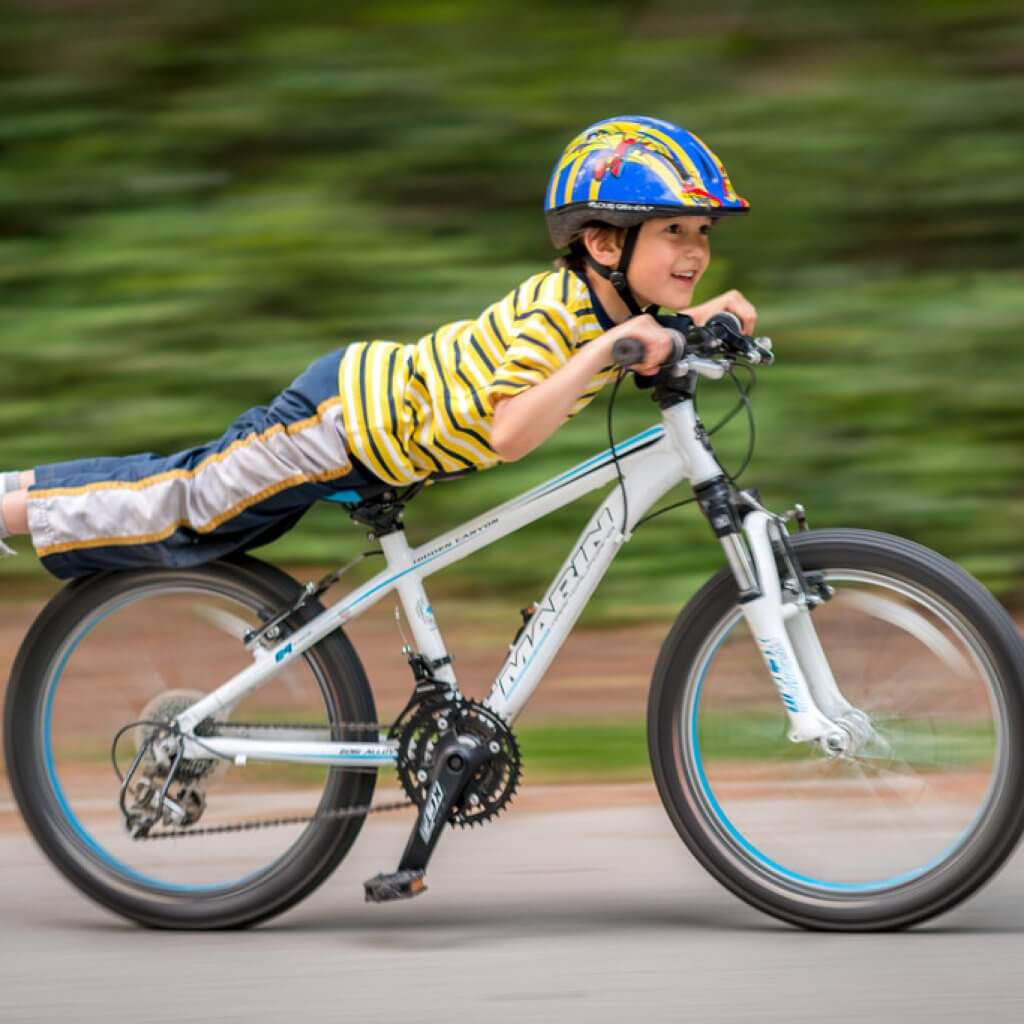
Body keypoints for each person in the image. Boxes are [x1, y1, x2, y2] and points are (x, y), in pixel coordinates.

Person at [0, 115, 757, 579]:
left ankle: (19, 483)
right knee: (185, 504)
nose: (694, 252)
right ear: (600, 241)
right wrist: (608, 351)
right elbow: (508, 433)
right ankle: (11, 513)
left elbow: (645, 333)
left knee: (181, 479)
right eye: (673, 231)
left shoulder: (617, 306)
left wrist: (709, 317)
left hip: (374, 426)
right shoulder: (562, 320)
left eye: (702, 235)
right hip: (341, 424)